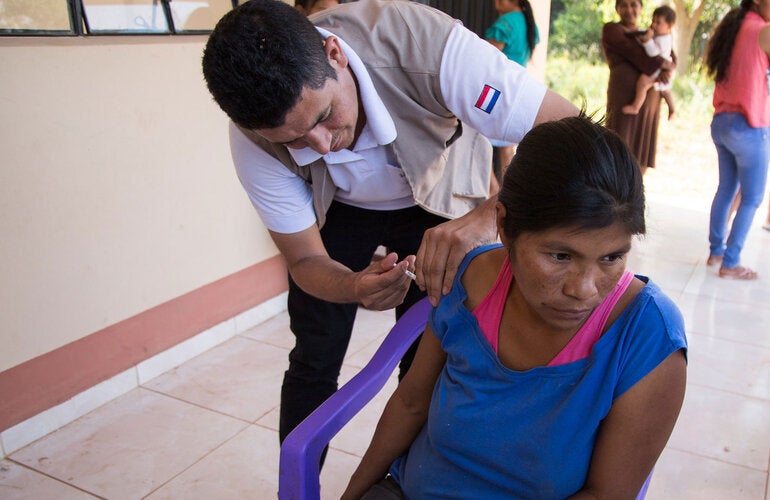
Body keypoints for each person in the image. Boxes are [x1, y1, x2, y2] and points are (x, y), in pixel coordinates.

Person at [201, 0, 578, 446]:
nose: (322, 146)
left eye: (323, 117)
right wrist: (351, 286)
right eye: (295, 140)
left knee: (428, 355)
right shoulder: (253, 138)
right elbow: (304, 260)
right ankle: (297, 479)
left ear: (335, 55)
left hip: (439, 195)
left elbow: (570, 129)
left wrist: (485, 219)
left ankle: (406, 473)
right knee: (314, 356)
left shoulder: (427, 46)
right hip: (339, 208)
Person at [342, 115, 688, 499]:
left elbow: (606, 495)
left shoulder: (647, 335)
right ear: (505, 227)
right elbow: (411, 402)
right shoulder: (472, 278)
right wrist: (353, 494)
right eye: (560, 256)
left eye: (612, 257)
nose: (584, 290)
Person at [703, 0, 770, 280]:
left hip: (722, 121)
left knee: (726, 188)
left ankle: (716, 252)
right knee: (752, 197)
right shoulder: (763, 31)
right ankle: (730, 263)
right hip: (750, 125)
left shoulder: (734, 26)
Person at [602, 0, 675, 174]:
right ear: (617, 9)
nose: (629, 9)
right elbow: (638, 56)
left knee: (641, 155)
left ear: (641, 8)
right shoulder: (612, 30)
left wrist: (667, 65)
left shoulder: (651, 33)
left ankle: (636, 191)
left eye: (633, 4)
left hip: (650, 104)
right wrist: (663, 65)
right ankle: (615, 191)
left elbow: (672, 57)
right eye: (624, 5)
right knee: (618, 151)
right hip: (623, 101)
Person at [485, 0, 540, 177]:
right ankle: (506, 190)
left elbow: (488, 58)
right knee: (507, 147)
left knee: (479, 141)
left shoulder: (506, 22)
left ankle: (492, 189)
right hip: (517, 90)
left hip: (495, 90)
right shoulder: (528, 22)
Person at [622, 5, 676, 120]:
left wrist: (647, 40)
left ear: (669, 26)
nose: (653, 25)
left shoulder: (664, 39)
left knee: (642, 84)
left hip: (657, 68)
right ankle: (672, 108)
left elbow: (653, 53)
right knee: (665, 90)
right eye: (653, 21)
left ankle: (635, 106)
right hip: (658, 66)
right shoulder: (661, 35)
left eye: (658, 22)